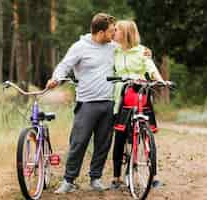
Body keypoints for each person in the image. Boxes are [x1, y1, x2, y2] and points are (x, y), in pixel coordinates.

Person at [46, 13, 116, 193]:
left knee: (103, 143)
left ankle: (95, 178)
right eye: (110, 31)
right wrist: (56, 78)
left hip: (107, 102)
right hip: (87, 103)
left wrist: (147, 52)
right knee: (78, 143)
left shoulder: (113, 47)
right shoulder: (80, 47)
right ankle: (68, 181)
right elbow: (64, 66)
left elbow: (132, 51)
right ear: (100, 32)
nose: (114, 34)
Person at [110, 20, 164, 189]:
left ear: (126, 33)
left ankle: (151, 174)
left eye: (116, 30)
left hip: (139, 94)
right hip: (121, 96)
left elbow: (150, 67)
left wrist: (160, 80)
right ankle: (116, 177)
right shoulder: (113, 50)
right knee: (119, 139)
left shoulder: (142, 52)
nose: (113, 32)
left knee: (143, 134)